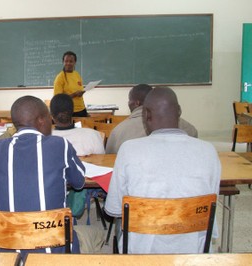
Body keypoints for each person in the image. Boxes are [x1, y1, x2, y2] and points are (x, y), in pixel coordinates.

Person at [104, 87, 221, 254]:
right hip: (194, 253)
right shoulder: (208, 151)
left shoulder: (129, 150)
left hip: (141, 255)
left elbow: (113, 209)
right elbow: (212, 203)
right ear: (179, 111)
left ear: (146, 115)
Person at [0, 95, 86, 257]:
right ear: (42, 120)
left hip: (6, 249)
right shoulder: (60, 145)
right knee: (91, 235)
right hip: (54, 248)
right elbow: (79, 182)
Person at [105, 84, 198, 154]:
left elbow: (109, 163)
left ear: (137, 103)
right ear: (179, 110)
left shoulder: (118, 131)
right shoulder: (190, 129)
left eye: (129, 100)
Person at [54, 51, 87, 117]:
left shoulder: (76, 74)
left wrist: (82, 92)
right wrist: (74, 94)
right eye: (66, 61)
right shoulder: (60, 77)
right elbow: (58, 99)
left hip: (81, 110)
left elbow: (80, 90)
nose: (68, 63)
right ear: (63, 62)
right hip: (68, 112)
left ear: (75, 62)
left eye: (71, 61)